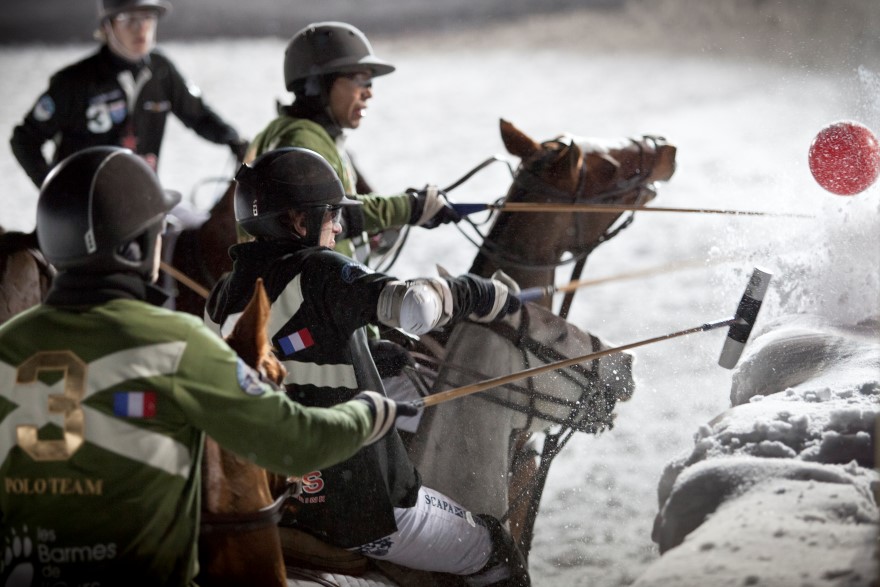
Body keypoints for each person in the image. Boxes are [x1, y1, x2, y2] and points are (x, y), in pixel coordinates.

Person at [0, 146, 409, 587]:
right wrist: (368, 412)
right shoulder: (176, 343)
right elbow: (295, 443)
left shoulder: (6, 345)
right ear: (138, 247)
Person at [205, 147, 530, 586]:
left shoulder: (222, 294)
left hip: (265, 502)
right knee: (493, 550)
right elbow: (414, 307)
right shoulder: (320, 271)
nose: (338, 227)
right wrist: (478, 292)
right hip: (359, 509)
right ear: (301, 222)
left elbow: (288, 348)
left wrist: (360, 350)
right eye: (331, 215)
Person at [246, 20, 461, 263]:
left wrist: (388, 222)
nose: (369, 92)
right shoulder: (302, 140)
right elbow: (319, 215)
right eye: (360, 80)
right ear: (319, 84)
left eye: (370, 83)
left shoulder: (287, 132)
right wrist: (409, 207)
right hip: (314, 292)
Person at [9, 0, 248, 189]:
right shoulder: (73, 82)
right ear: (107, 27)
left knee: (199, 234)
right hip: (84, 207)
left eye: (148, 17)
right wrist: (53, 189)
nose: (141, 27)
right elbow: (24, 139)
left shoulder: (161, 70)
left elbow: (199, 115)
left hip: (143, 198)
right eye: (128, 19)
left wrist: (234, 140)